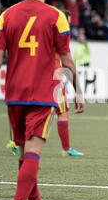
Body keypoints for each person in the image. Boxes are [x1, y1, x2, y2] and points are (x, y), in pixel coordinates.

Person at [0, 0, 85, 200]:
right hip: (41, 95)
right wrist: (78, 90)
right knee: (33, 155)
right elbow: (66, 59)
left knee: (23, 156)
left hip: (14, 95)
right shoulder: (56, 16)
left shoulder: (6, 15)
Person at [7, 9, 85, 157]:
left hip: (33, 76)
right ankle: (66, 149)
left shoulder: (42, 33)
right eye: (66, 23)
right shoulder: (59, 36)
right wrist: (78, 91)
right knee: (63, 113)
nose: (67, 26)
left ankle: (14, 142)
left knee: (22, 108)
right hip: (53, 79)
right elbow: (68, 62)